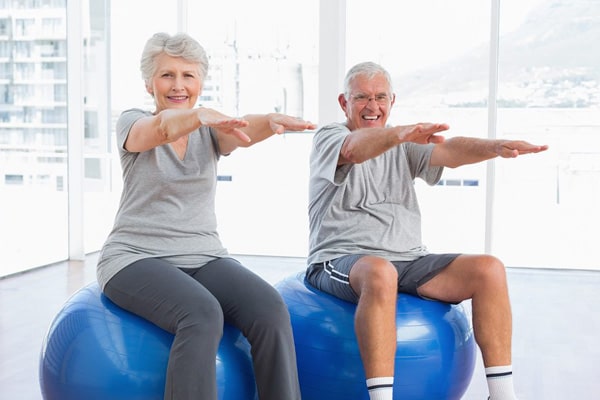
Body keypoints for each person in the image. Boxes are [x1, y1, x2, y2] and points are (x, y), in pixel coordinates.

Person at [305, 61, 548, 400]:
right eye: (361, 97)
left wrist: (494, 147)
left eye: (380, 97)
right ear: (344, 103)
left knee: (489, 269)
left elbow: (448, 151)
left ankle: (503, 394)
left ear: (392, 101)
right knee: (380, 272)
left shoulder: (402, 142)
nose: (372, 106)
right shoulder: (331, 137)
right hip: (341, 257)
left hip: (407, 258)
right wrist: (398, 134)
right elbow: (353, 150)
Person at [96, 32, 315, 400]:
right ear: (149, 82)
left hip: (202, 254)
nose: (178, 85)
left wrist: (271, 120)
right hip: (135, 258)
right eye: (167, 75)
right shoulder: (133, 123)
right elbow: (164, 127)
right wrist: (198, 116)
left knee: (270, 308)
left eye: (188, 75)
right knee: (201, 314)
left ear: (200, 82)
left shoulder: (208, 131)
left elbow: (241, 128)